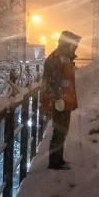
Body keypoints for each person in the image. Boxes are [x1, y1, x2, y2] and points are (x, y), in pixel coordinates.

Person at [41, 30, 81, 170]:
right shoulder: (57, 58)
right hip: (60, 101)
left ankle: (58, 160)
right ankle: (54, 163)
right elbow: (53, 81)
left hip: (64, 101)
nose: (76, 47)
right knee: (59, 131)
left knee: (62, 131)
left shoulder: (63, 57)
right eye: (74, 44)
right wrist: (58, 99)